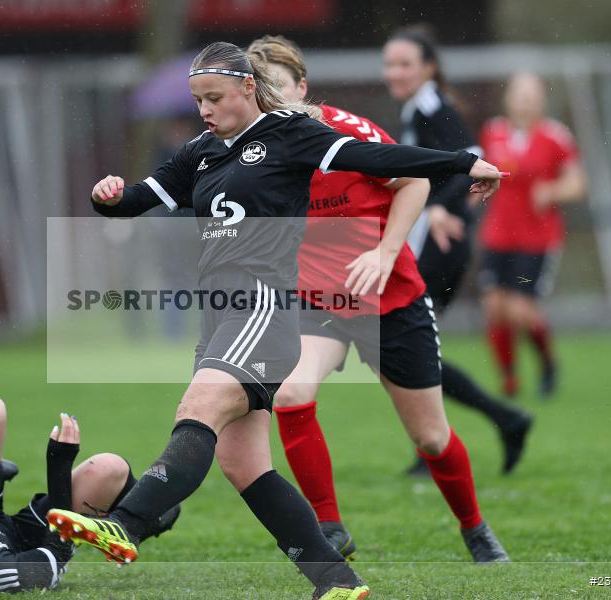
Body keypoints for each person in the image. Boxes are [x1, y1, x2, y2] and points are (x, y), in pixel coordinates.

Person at [47, 41, 506, 600]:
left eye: (214, 97)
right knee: (244, 466)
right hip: (220, 316)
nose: (204, 110)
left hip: (264, 307)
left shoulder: (290, 133)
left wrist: (460, 161)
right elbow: (138, 201)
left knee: (198, 408)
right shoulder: (202, 151)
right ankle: (336, 581)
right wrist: (108, 197)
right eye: (197, 100)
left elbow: (383, 161)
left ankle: (130, 523)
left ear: (248, 88)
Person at [245, 34, 509, 564]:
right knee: (292, 393)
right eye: (260, 93)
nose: (271, 103)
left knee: (432, 438)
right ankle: (329, 526)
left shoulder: (342, 132)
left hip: (390, 298)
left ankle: (476, 528)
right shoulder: (252, 150)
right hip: (319, 300)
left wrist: (387, 253)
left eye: (279, 89)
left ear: (302, 86)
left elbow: (413, 180)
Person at [382, 25, 534, 476]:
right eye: (389, 64)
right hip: (434, 242)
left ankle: (457, 437)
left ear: (428, 67)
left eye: (405, 63)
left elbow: (471, 157)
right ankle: (492, 424)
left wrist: (444, 209)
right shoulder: (417, 107)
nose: (395, 72)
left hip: (442, 245)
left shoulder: (431, 105)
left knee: (404, 345)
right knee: (406, 348)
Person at [0, 394, 179, 598]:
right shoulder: (2, 572)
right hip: (21, 538)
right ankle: (142, 522)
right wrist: (58, 462)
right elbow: (56, 550)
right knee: (108, 468)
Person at [478, 72, 587, 398]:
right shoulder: (493, 132)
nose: (524, 100)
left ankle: (548, 362)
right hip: (497, 235)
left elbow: (578, 183)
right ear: (507, 98)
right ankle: (509, 378)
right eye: (518, 94)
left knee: (521, 312)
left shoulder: (555, 136)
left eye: (531, 94)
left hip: (537, 238)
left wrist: (553, 190)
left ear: (542, 99)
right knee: (495, 308)